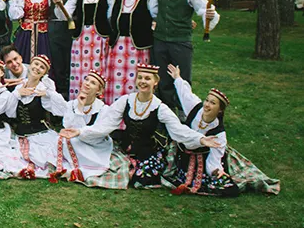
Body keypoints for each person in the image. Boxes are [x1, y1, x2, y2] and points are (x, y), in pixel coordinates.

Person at [60, 64, 220, 188]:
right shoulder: (126, 100)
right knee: (112, 169)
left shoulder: (159, 107)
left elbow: (178, 130)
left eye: (147, 79)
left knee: (142, 178)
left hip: (147, 151)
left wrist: (201, 139)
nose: (143, 81)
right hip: (124, 149)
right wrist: (80, 131)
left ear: (155, 82)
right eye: (140, 78)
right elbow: (105, 126)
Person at [162, 65, 279, 196]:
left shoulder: (219, 133)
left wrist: (216, 171)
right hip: (183, 152)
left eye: (213, 103)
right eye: (207, 100)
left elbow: (214, 159)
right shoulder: (195, 108)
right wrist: (177, 77)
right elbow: (185, 93)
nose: (207, 105)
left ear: (220, 110)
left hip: (202, 158)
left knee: (225, 187)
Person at [148, 0, 219, 110]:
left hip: (180, 41)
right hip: (160, 40)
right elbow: (153, 8)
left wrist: (208, 14)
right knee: (163, 80)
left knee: (182, 80)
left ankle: (184, 113)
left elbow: (202, 8)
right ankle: (165, 113)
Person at [40, 70, 130, 188]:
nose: (87, 83)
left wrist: (80, 132)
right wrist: (80, 108)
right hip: (76, 142)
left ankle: (83, 168)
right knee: (62, 140)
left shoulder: (103, 109)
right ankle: (71, 168)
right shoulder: (72, 104)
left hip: (94, 144)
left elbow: (97, 132)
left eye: (92, 83)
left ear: (99, 91)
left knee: (69, 141)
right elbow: (69, 128)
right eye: (86, 80)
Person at [68, 0, 116, 101]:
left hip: (99, 39)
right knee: (81, 71)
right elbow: (65, 14)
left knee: (98, 70)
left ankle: (98, 104)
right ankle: (80, 103)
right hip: (81, 39)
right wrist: (59, 5)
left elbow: (111, 18)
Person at [4, 55, 58, 179]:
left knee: (41, 156)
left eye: (42, 67)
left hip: (39, 133)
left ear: (44, 73)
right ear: (30, 65)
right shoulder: (19, 87)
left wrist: (49, 94)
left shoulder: (43, 89)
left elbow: (60, 110)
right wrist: (17, 94)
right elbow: (10, 113)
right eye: (36, 64)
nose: (37, 68)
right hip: (20, 134)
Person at [105, 0, 152, 105]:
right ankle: (114, 111)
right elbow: (111, 18)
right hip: (118, 46)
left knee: (134, 79)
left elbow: (157, 16)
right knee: (116, 79)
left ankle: (135, 111)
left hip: (138, 46)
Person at [9, 0, 51, 70]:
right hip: (26, 34)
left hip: (44, 34)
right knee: (25, 60)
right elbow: (14, 15)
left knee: (45, 59)